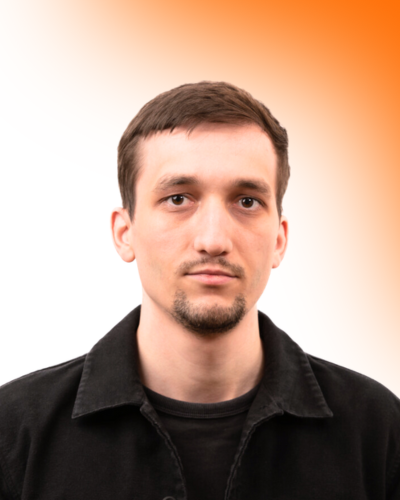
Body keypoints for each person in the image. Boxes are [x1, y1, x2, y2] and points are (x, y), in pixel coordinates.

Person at [0, 81, 399, 500]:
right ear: (124, 232)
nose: (213, 240)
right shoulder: (15, 436)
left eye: (247, 201)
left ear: (279, 240)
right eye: (178, 199)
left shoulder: (379, 434)